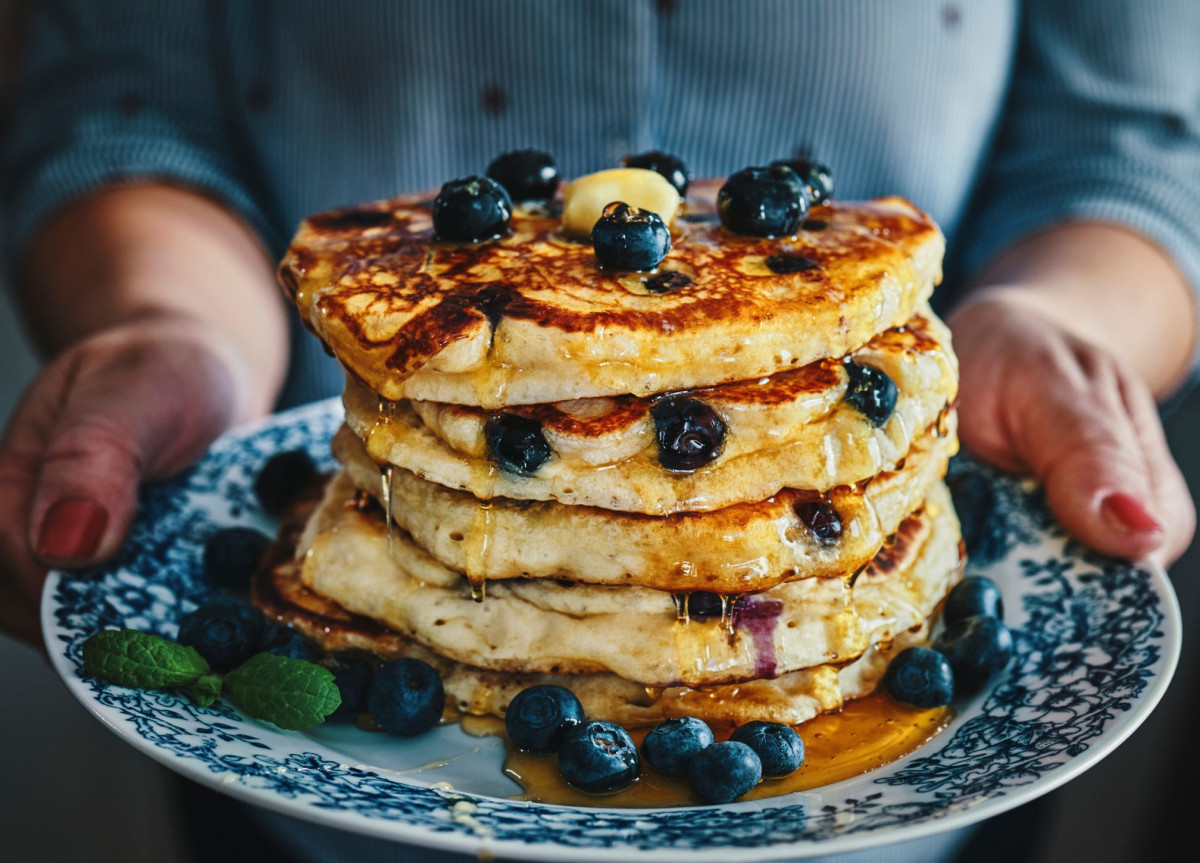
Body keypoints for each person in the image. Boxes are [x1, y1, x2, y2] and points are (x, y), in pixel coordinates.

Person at [1, 2, 1196, 862]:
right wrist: (165, 321)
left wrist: (1052, 319)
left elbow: (1126, 145)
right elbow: (118, 105)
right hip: (327, 817)